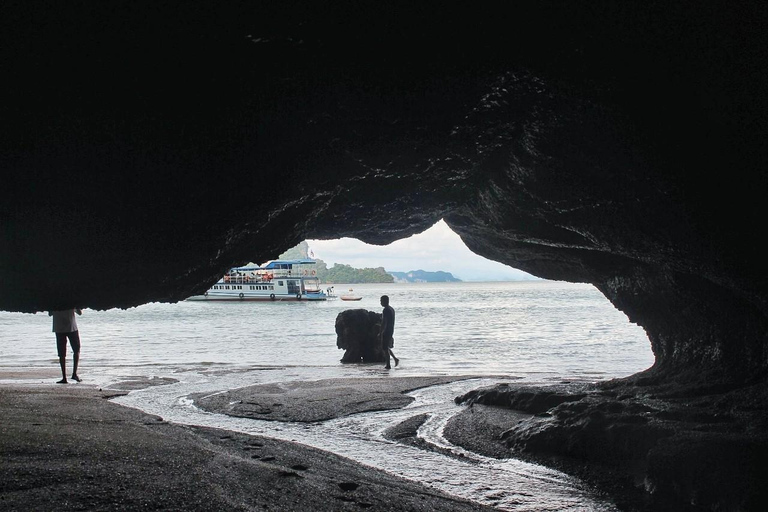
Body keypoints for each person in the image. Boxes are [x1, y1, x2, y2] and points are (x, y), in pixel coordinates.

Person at [49, 308, 83, 384]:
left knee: (62, 354)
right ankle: (74, 374)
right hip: (71, 327)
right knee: (76, 350)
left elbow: (50, 313)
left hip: (59, 328)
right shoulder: (71, 301)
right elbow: (80, 313)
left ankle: (64, 377)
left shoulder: (54, 302)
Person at [379, 295, 399, 369]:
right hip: (390, 330)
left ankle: (388, 365)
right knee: (386, 347)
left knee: (384, 348)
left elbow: (384, 322)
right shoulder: (391, 309)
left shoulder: (386, 310)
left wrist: (381, 332)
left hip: (386, 330)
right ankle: (395, 359)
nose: (380, 302)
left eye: (381, 301)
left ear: (385, 301)